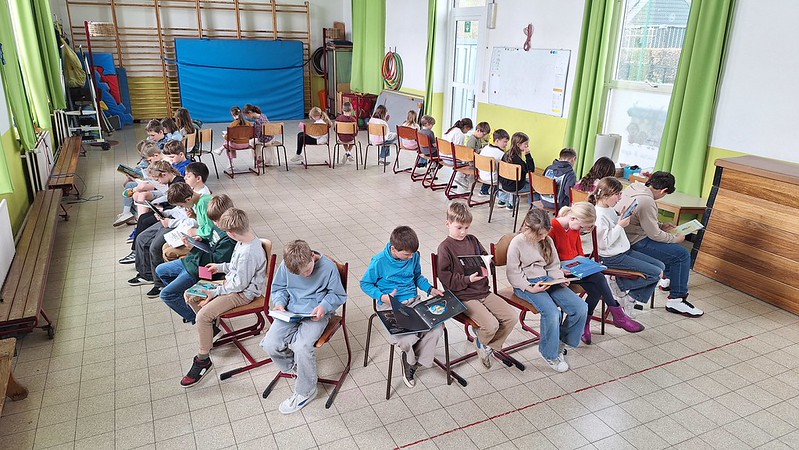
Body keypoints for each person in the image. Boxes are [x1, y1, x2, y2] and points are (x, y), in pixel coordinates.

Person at [181, 208, 268, 387]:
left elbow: (239, 285)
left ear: (231, 233)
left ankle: (203, 359)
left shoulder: (249, 252)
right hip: (232, 285)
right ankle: (211, 328)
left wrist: (215, 292)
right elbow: (235, 267)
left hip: (242, 294)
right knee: (190, 294)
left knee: (202, 316)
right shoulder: (244, 240)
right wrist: (220, 267)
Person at [260, 240, 346, 413]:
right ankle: (299, 368)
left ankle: (306, 391)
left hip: (316, 314)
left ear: (312, 256)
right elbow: (279, 288)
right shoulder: (286, 266)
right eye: (300, 274)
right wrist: (279, 303)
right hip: (290, 311)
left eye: (307, 270)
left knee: (302, 346)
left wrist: (324, 306)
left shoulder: (328, 267)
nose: (305, 275)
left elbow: (338, 294)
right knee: (270, 344)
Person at [360, 226, 445, 388]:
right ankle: (411, 361)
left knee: (436, 328)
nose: (411, 257)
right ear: (394, 248)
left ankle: (412, 361)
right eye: (407, 254)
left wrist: (430, 289)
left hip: (413, 301)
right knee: (406, 339)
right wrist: (382, 297)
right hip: (390, 305)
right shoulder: (379, 261)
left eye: (413, 253)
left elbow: (417, 277)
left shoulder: (414, 255)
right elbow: (365, 283)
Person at [549, 202, 644, 345]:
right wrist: (562, 267)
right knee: (598, 280)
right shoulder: (552, 228)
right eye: (582, 227)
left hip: (574, 269)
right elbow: (547, 259)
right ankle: (618, 316)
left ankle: (587, 324)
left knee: (596, 287)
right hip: (559, 272)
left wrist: (585, 263)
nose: (581, 230)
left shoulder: (574, 227)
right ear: (573, 218)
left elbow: (579, 252)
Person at [436, 201, 516, 368]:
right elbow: (446, 279)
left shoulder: (472, 240)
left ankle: (485, 344)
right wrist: (467, 280)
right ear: (448, 224)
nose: (463, 232)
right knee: (491, 325)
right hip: (462, 296)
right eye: (459, 227)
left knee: (511, 317)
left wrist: (487, 263)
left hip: (482, 291)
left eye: (467, 227)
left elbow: (485, 258)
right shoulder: (445, 248)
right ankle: (484, 340)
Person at [506, 209, 587, 372]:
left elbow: (553, 265)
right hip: (525, 284)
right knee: (552, 313)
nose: (543, 237)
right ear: (528, 228)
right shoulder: (517, 242)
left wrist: (559, 279)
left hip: (547, 279)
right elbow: (513, 273)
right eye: (540, 234)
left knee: (580, 307)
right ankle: (549, 353)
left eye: (545, 233)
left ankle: (561, 341)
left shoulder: (547, 240)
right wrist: (530, 288)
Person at [615, 171, 703, 317]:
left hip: (624, 238)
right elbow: (654, 235)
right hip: (634, 241)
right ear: (663, 191)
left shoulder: (633, 188)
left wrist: (662, 225)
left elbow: (642, 221)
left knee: (670, 251)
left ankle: (668, 280)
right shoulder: (647, 201)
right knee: (681, 254)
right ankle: (677, 299)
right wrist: (675, 238)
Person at [131, 162, 211, 298]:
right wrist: (167, 214)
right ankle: (151, 275)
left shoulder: (202, 199)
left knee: (161, 248)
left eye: (188, 176)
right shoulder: (192, 194)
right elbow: (188, 214)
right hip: (185, 229)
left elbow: (202, 227)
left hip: (189, 233)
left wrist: (190, 229)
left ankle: (161, 282)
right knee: (145, 237)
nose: (185, 178)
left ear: (198, 178)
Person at [155, 194, 236, 324]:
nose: (214, 224)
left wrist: (193, 248)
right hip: (194, 261)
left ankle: (201, 320)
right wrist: (201, 239)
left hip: (202, 269)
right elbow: (211, 240)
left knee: (166, 295)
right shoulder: (217, 225)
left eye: (215, 221)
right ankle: (187, 305)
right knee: (160, 270)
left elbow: (214, 263)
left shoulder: (229, 238)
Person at [591, 177, 665, 312]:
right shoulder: (599, 215)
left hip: (623, 251)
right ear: (606, 195)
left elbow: (614, 229)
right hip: (611, 257)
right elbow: (604, 244)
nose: (620, 198)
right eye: (617, 194)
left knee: (661, 267)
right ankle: (626, 293)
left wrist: (621, 219)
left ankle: (626, 292)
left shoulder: (609, 209)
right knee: (655, 274)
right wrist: (620, 225)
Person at [113, 141, 162, 227]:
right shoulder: (154, 162)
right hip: (153, 183)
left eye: (150, 160)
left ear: (156, 155)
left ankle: (130, 214)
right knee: (133, 190)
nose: (149, 162)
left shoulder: (161, 163)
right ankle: (129, 213)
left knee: (133, 188)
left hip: (157, 186)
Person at [497, 132, 535, 209]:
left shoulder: (507, 154)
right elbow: (531, 169)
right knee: (536, 187)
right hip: (515, 187)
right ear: (518, 145)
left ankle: (509, 203)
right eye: (525, 144)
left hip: (504, 185)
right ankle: (534, 208)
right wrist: (528, 154)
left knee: (517, 179)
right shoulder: (518, 160)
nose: (527, 146)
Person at [213, 106, 252, 172]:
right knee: (230, 141)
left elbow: (228, 137)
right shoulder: (248, 123)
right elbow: (251, 135)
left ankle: (230, 163)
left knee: (228, 143)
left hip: (236, 145)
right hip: (246, 144)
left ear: (233, 115)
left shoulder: (233, 124)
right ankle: (220, 149)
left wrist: (225, 136)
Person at [477, 129, 508, 196]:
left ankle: (483, 191)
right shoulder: (501, 154)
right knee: (503, 173)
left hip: (481, 175)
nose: (506, 144)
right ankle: (496, 193)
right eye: (505, 142)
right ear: (497, 141)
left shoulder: (486, 148)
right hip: (493, 179)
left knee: (490, 170)